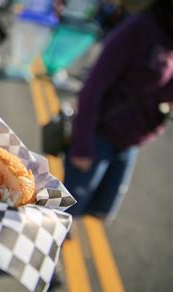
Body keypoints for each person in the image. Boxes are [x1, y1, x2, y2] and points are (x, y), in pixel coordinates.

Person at [63, 0, 172, 222]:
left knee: (100, 209)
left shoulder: (169, 38)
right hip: (99, 135)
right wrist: (82, 145)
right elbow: (92, 89)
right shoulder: (139, 29)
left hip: (130, 142)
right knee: (64, 212)